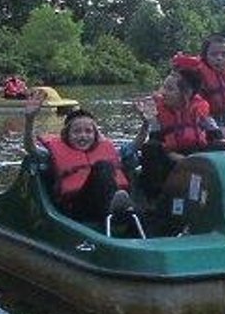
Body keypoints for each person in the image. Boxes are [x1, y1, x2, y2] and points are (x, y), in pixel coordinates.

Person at [22, 91, 147, 232]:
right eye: (76, 132)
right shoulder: (51, 155)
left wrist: (145, 123)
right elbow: (30, 148)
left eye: (88, 132)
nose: (83, 136)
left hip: (108, 205)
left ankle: (129, 212)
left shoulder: (109, 150)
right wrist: (29, 119)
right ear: (66, 134)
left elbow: (135, 145)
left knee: (112, 166)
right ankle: (118, 208)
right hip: (77, 209)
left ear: (95, 135)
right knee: (103, 166)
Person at [136, 68, 225, 201]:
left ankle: (215, 195)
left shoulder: (200, 111)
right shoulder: (158, 113)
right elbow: (156, 141)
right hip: (170, 159)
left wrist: (194, 160)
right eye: (163, 87)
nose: (163, 93)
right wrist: (148, 120)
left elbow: (217, 137)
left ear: (186, 93)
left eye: (170, 89)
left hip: (197, 158)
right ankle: (155, 200)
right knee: (150, 147)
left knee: (219, 146)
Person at [172, 33, 225, 128]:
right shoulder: (196, 73)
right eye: (214, 54)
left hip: (224, 117)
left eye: (223, 54)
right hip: (202, 118)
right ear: (205, 55)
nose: (219, 58)